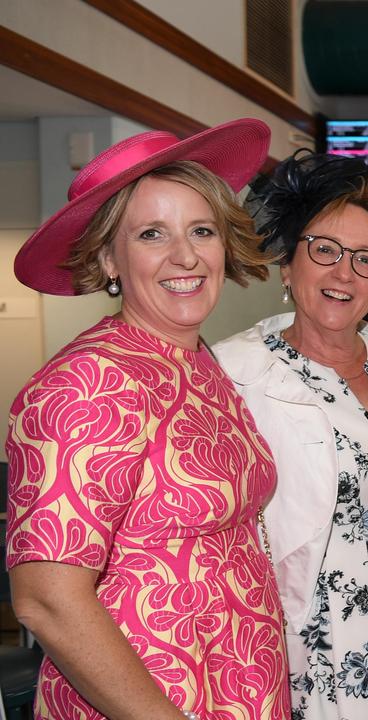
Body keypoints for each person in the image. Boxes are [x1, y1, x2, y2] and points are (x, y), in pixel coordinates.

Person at [4, 120, 289, 718]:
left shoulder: (199, 360)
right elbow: (47, 600)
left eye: (201, 231)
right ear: (108, 256)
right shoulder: (87, 383)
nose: (185, 256)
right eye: (153, 234)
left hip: (241, 688)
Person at [211, 152, 368, 718]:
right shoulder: (233, 372)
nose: (344, 273)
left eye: (366, 259)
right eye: (325, 250)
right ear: (286, 263)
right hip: (312, 646)